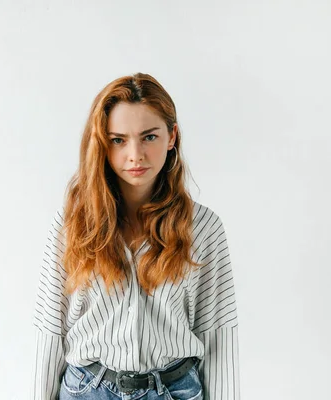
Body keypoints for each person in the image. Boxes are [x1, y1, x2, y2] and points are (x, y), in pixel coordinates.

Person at [30, 73, 240, 399]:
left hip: (174, 391)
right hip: (87, 391)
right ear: (102, 143)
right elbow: (49, 331)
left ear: (172, 136)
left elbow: (219, 337)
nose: (135, 154)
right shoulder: (72, 224)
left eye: (149, 137)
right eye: (118, 140)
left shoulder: (204, 228)